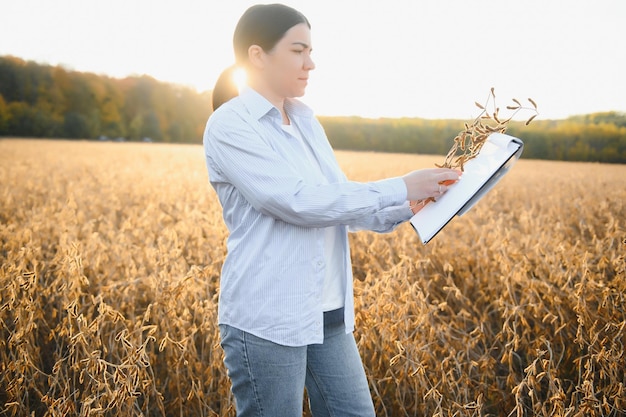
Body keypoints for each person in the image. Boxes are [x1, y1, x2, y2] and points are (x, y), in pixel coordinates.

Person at [203, 4, 461, 416]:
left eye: (310, 50)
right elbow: (298, 201)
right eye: (298, 50)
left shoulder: (305, 121)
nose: (311, 63)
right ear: (257, 55)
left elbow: (337, 200)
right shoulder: (230, 125)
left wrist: (410, 204)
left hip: (328, 313)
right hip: (268, 317)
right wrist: (401, 184)